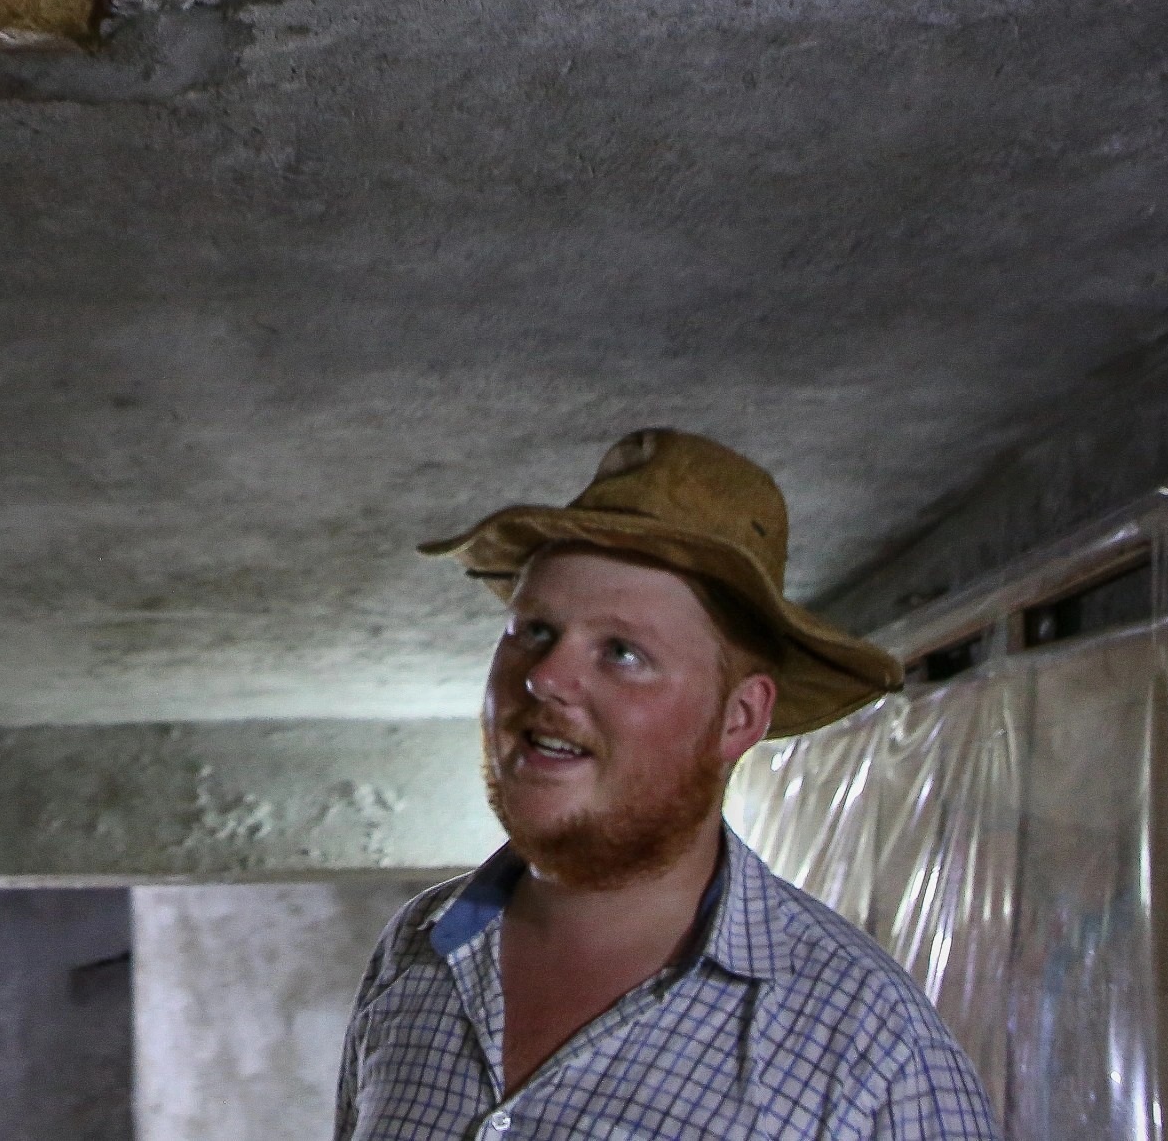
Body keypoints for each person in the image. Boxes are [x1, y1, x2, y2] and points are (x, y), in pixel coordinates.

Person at [336, 429, 998, 1140]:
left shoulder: (875, 1058)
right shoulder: (412, 951)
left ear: (738, 718)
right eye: (533, 631)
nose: (545, 677)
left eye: (622, 651)